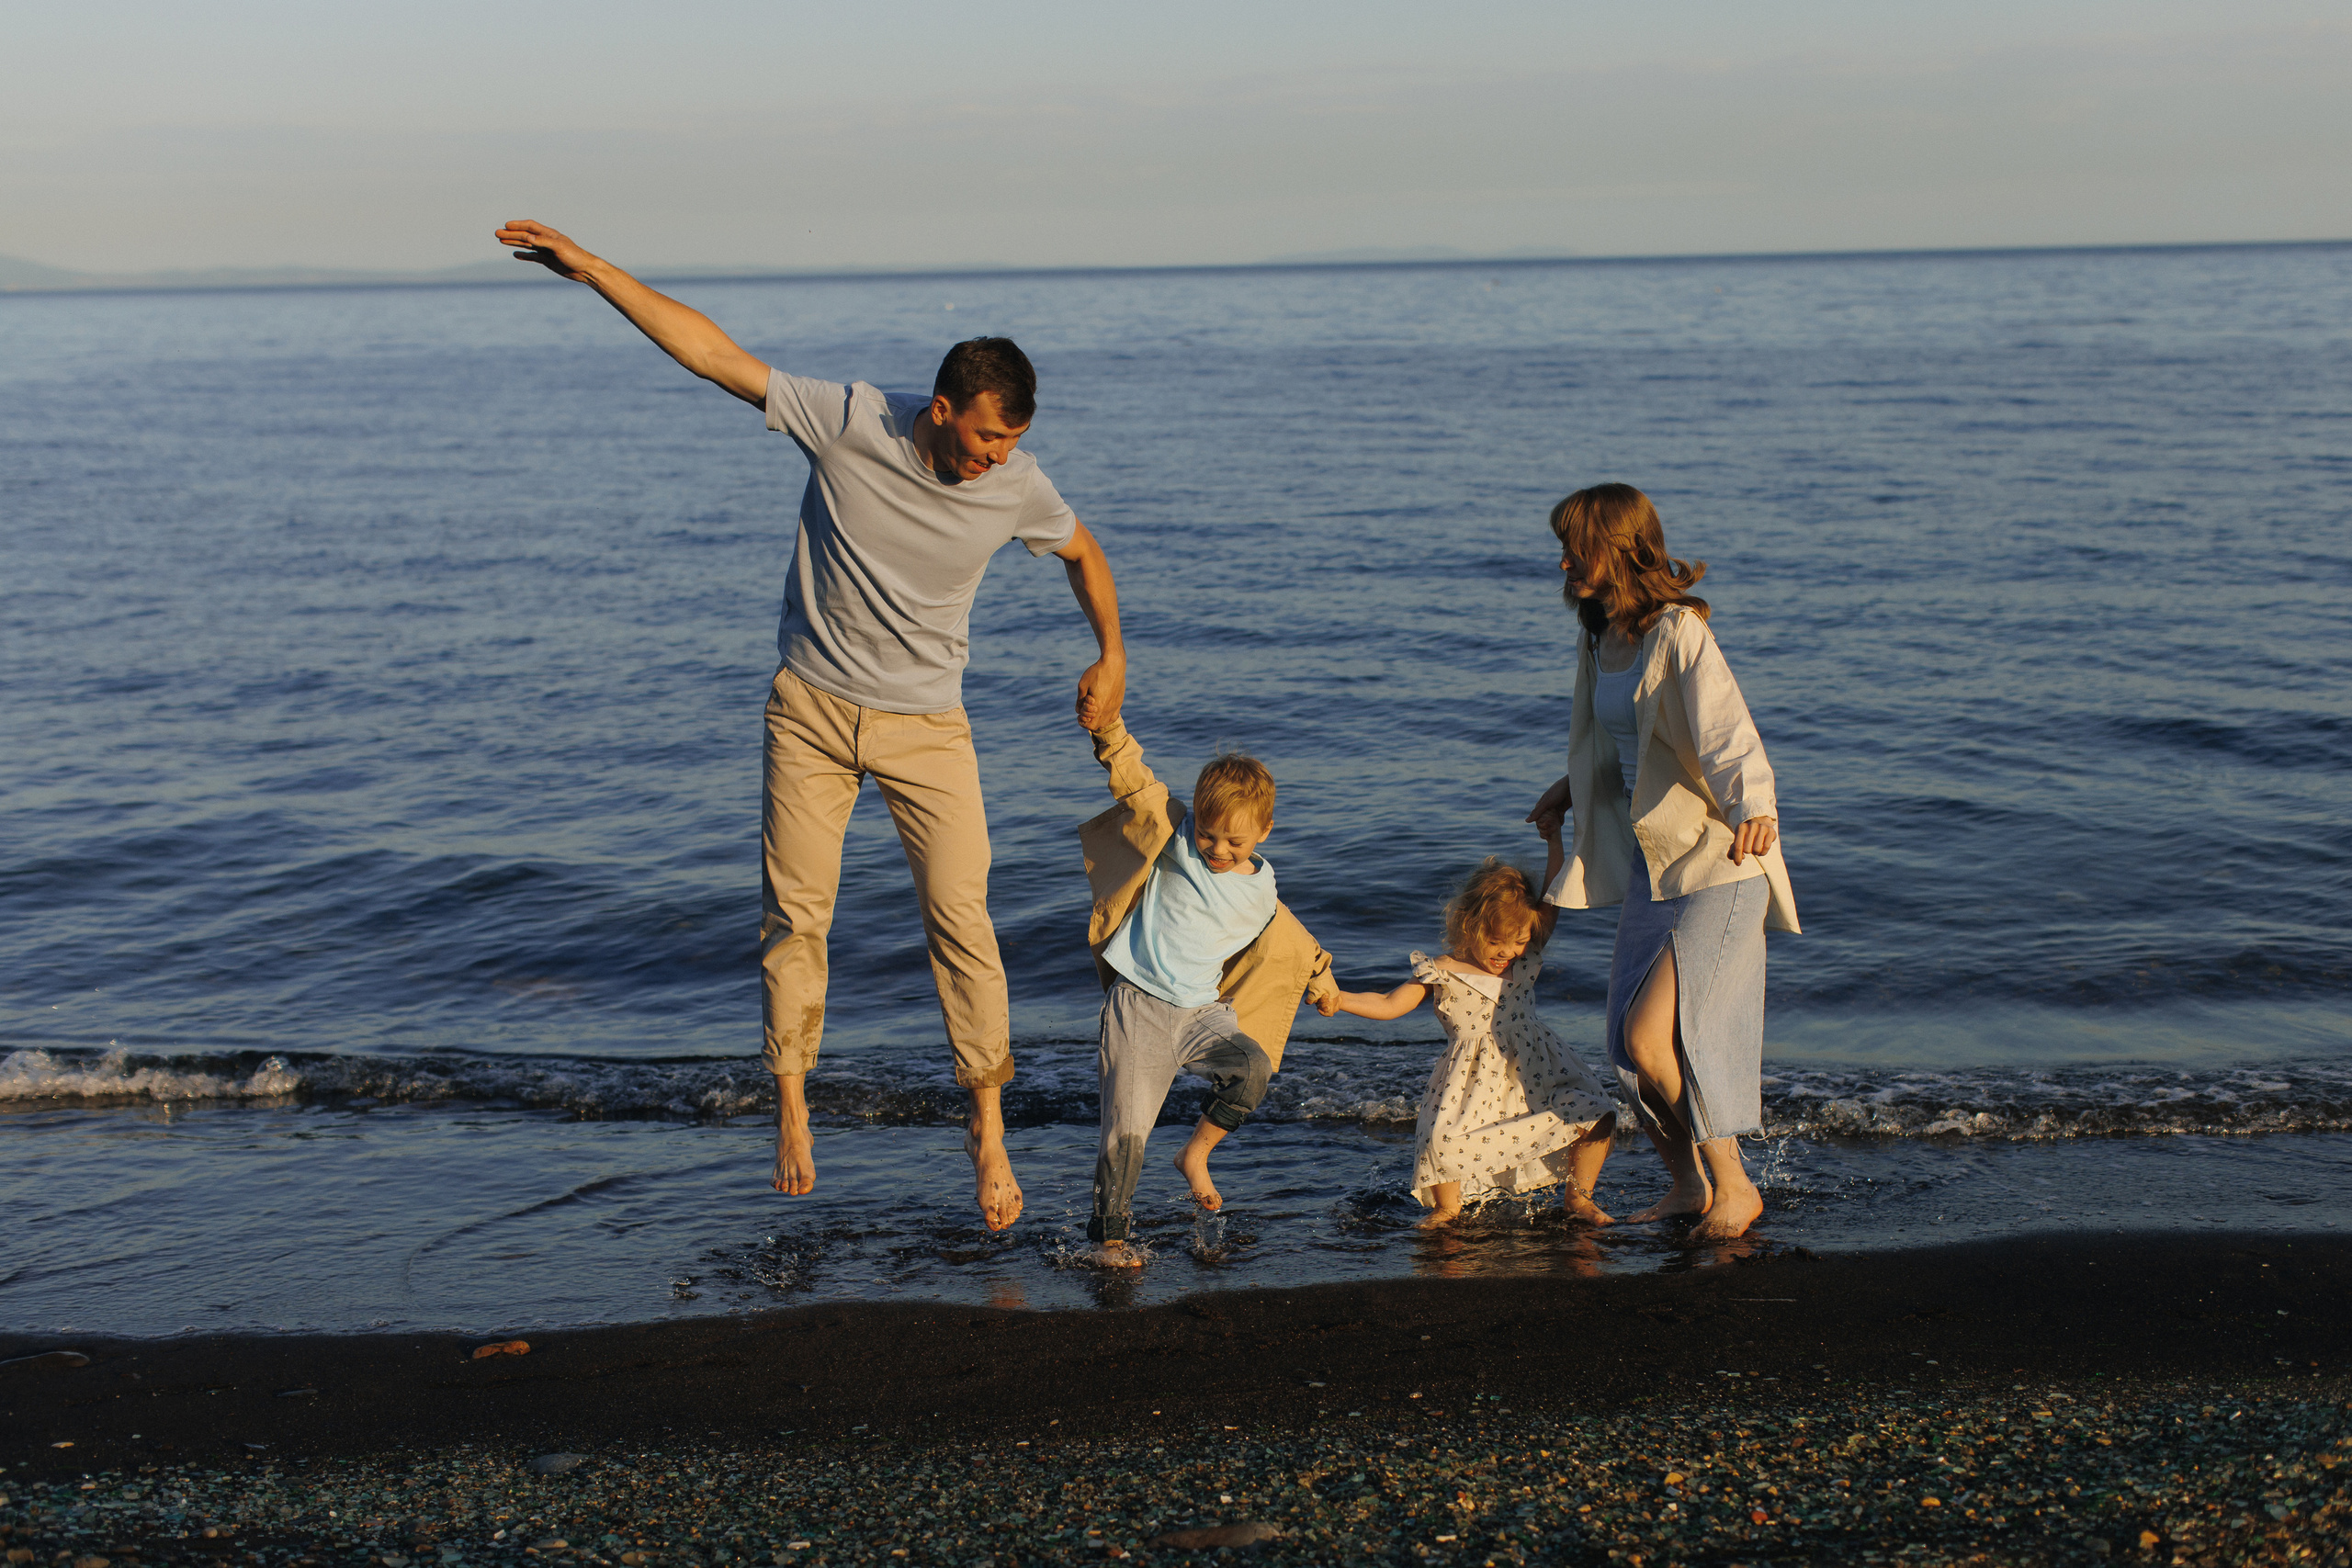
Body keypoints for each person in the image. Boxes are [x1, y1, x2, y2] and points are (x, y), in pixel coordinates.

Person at [493, 220, 1129, 1232]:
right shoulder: (847, 421)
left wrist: (1112, 651)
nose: (997, 459)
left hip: (929, 725)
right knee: (797, 918)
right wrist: (596, 271)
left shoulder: (1016, 483)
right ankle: (792, 1106)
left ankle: (988, 1126)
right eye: (983, 438)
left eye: (1010, 442)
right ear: (941, 410)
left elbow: (1082, 554)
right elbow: (713, 356)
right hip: (813, 715)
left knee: (963, 922)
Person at [1525, 483, 1799, 1242]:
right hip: (1656, 865)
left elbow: (1727, 732)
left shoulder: (1678, 631)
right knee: (1625, 1047)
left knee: (1656, 1037)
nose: (1564, 560)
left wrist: (1755, 808)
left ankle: (1735, 1187)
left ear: (1621, 547)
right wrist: (1567, 790)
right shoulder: (1599, 635)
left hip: (1721, 860)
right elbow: (1614, 742)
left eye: (1576, 545)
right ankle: (1686, 1185)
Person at [1076, 714, 1339, 1266]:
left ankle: (1196, 1154)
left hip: (1201, 1015)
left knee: (1253, 1070)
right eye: (1208, 833)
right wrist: (1108, 734)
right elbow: (1137, 784)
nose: (1218, 848)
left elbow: (1287, 934)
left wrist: (1321, 976)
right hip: (1140, 1008)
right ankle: (1110, 1238)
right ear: (1194, 819)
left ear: (1264, 832)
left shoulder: (1261, 885)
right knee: (1126, 1133)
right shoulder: (1176, 843)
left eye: (1234, 841)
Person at [1329, 842, 1620, 1226]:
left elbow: (1554, 894)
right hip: (1472, 1078)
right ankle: (1447, 1208)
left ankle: (1579, 1199)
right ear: (1471, 925)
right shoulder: (1442, 970)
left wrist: (1554, 839)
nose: (1507, 952)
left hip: (1536, 1071)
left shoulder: (1524, 955)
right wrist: (1338, 999)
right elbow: (1388, 1003)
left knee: (1597, 1115)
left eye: (1517, 942)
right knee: (1440, 1140)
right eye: (1496, 942)